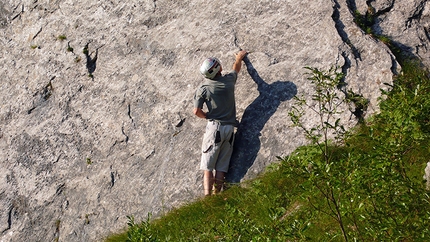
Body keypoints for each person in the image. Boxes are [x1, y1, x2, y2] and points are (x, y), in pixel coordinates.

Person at [193, 50, 248, 196]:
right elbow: (236, 68)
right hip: (229, 130)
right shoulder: (229, 82)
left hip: (214, 128)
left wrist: (207, 116)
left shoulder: (204, 89)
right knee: (221, 167)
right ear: (218, 69)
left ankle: (207, 198)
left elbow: (196, 111)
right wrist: (239, 58)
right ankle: (217, 195)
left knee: (208, 167)